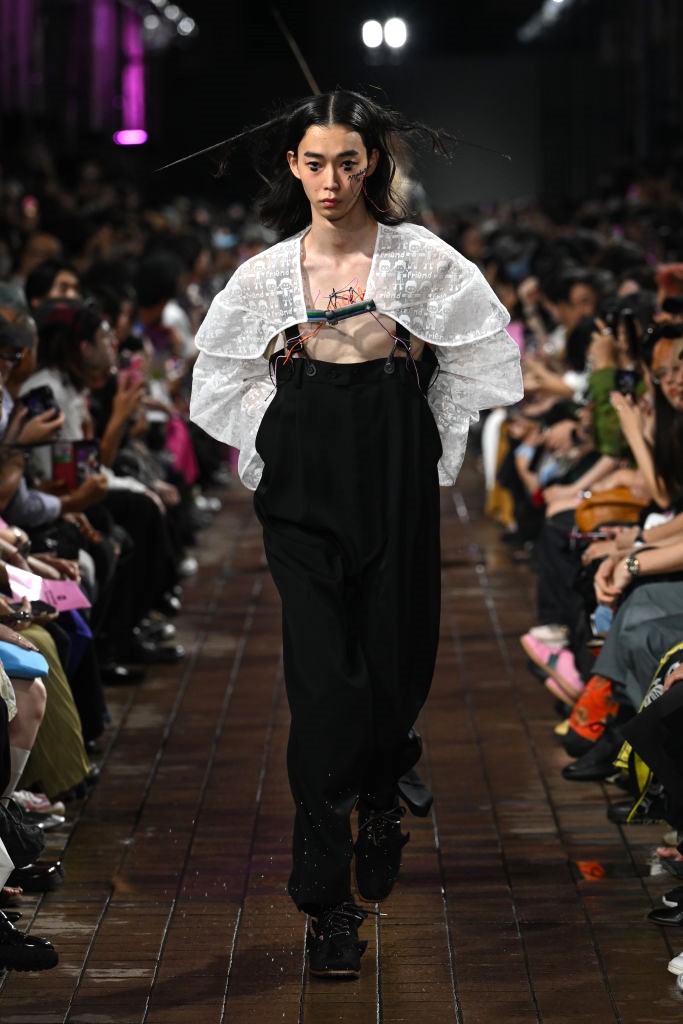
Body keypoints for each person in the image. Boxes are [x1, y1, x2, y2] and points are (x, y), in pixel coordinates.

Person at [190, 88, 523, 979]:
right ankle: (326, 904)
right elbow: (218, 376)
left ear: (371, 161)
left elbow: (484, 357)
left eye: (346, 160)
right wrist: (284, 432)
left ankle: (382, 790)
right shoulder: (264, 274)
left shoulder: (420, 261)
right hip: (304, 479)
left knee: (393, 662)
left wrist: (425, 437)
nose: (330, 179)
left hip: (392, 468)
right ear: (291, 166)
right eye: (313, 161)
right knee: (323, 688)